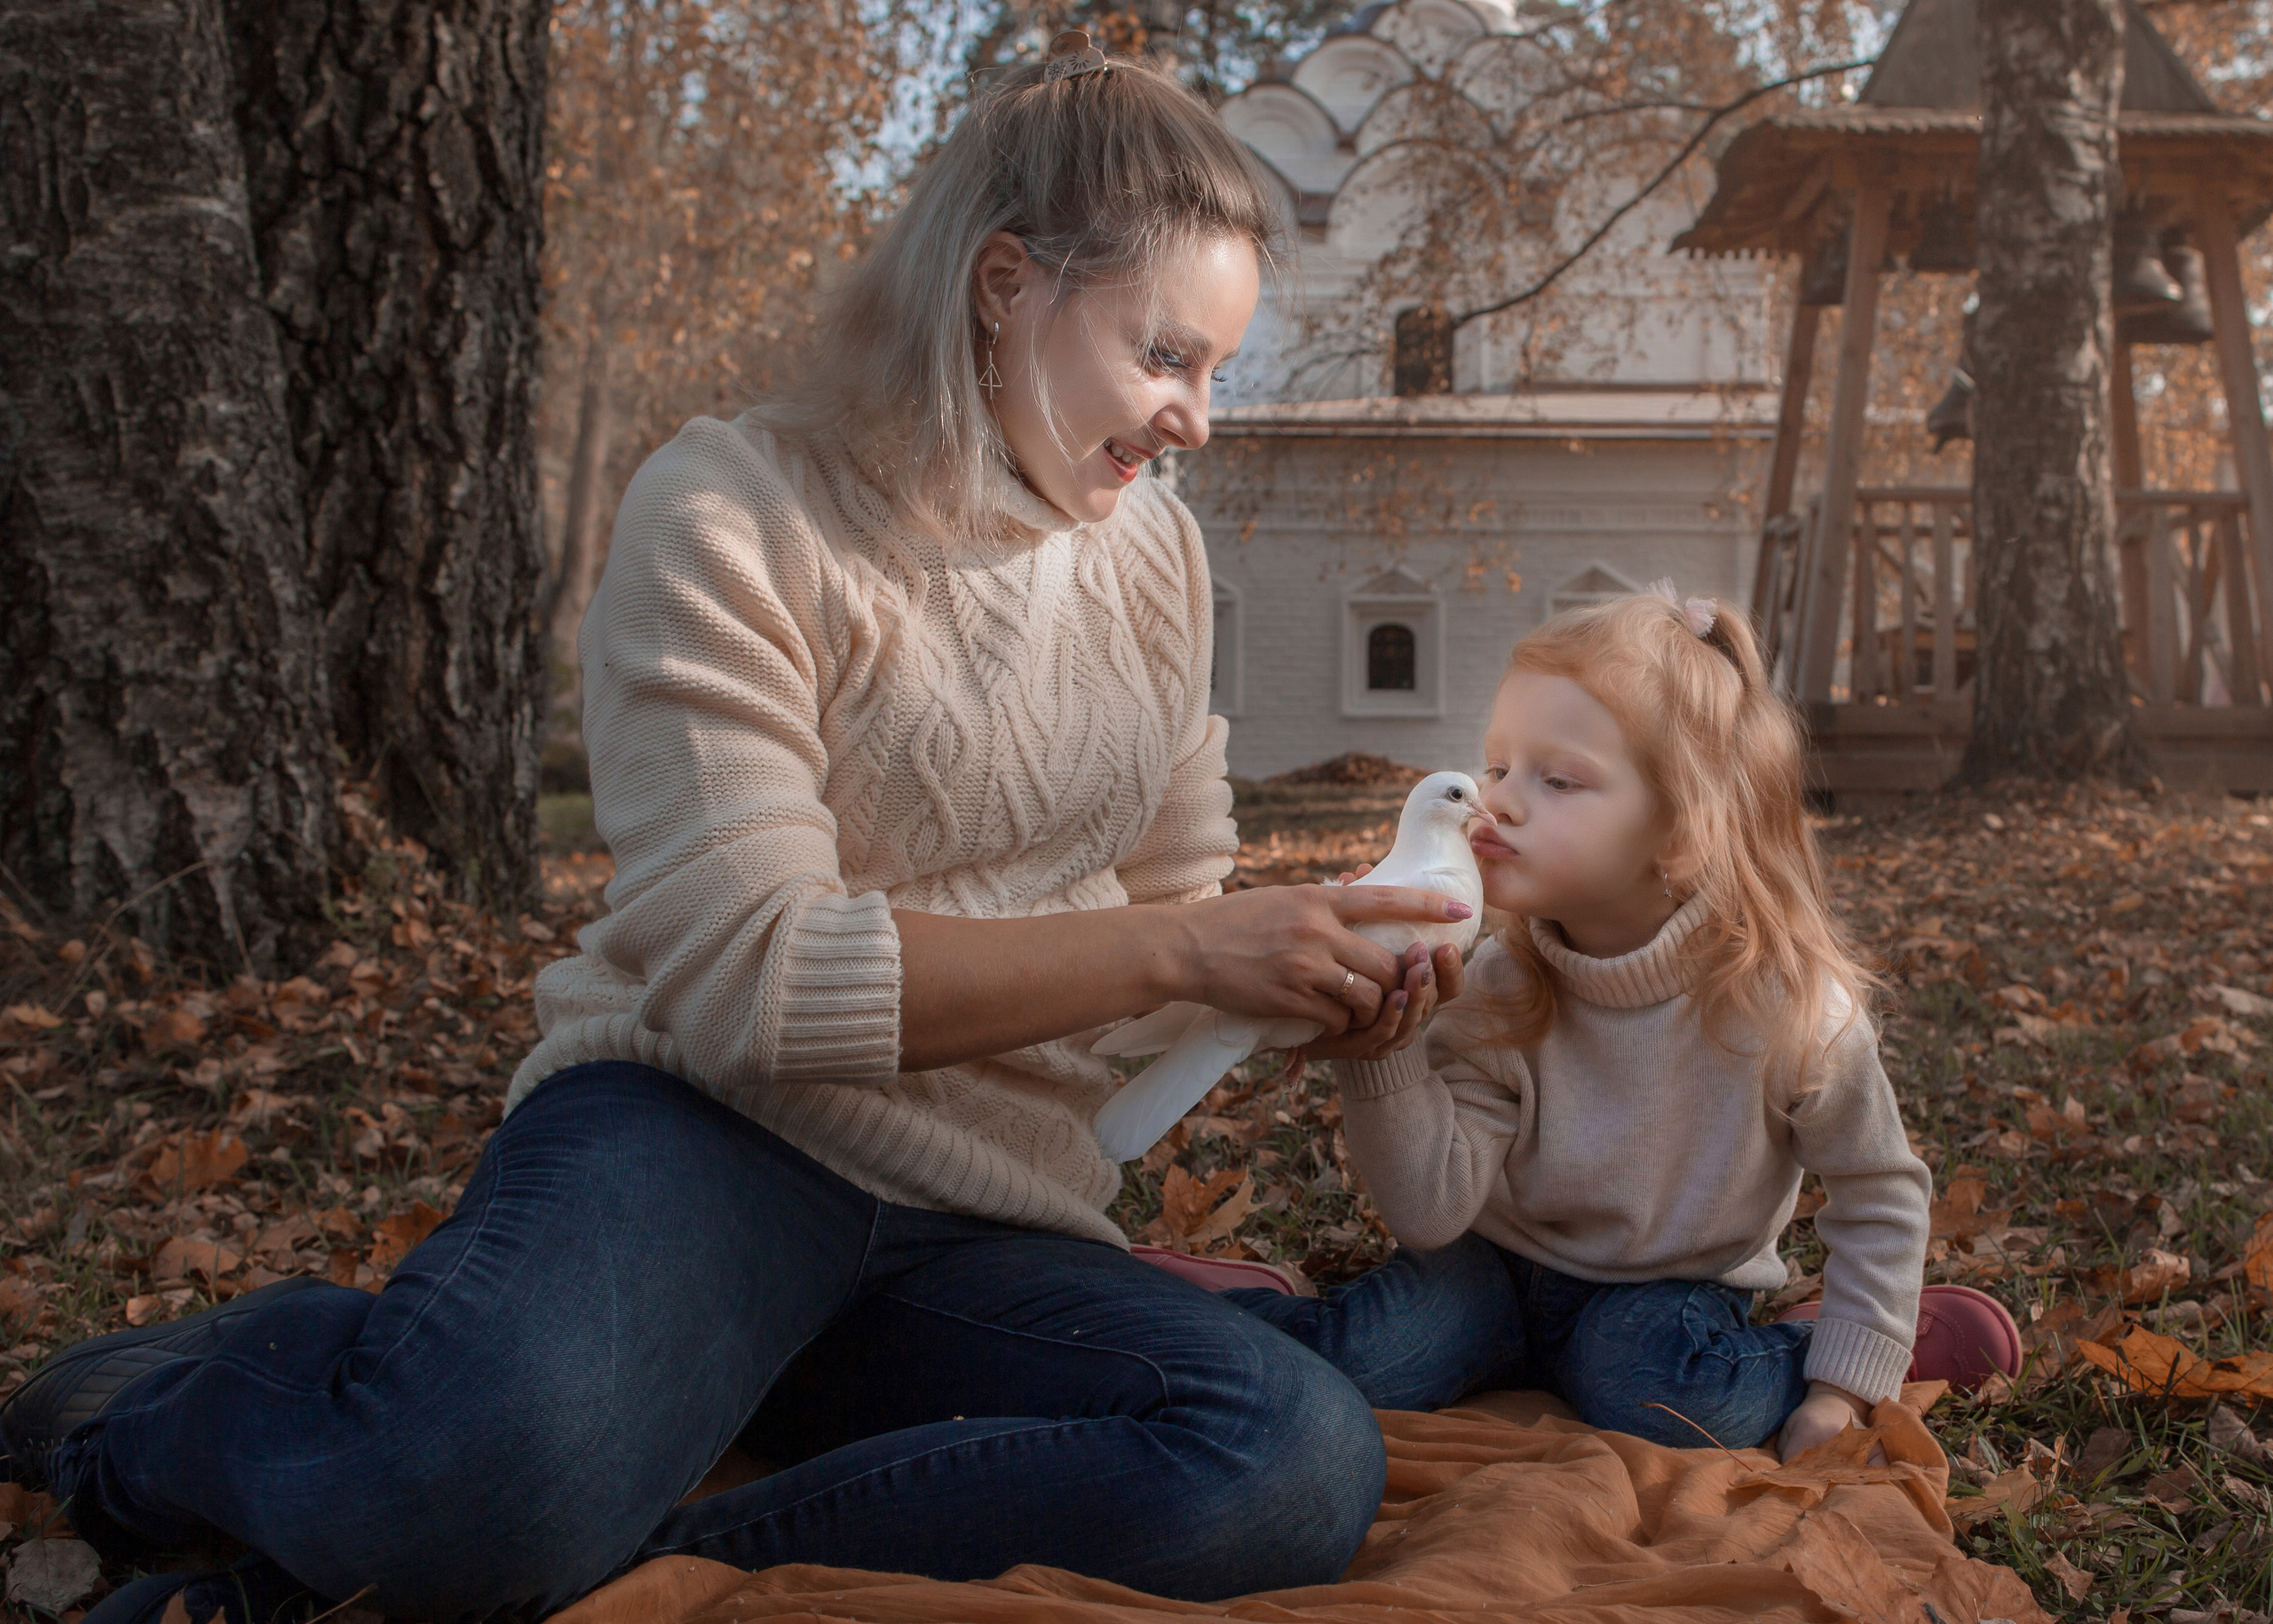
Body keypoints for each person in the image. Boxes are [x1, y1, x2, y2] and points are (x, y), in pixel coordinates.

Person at [0, 36, 1475, 1624]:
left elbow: (1166, 927)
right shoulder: (729, 509)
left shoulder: (1154, 562)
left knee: (1286, 1456)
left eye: (1219, 371)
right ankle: (145, 1409)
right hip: (698, 1139)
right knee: (457, 1470)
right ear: (1004, 284)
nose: (1196, 420)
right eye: (1167, 356)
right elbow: (754, 977)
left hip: (989, 1211)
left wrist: (1305, 980)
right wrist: (1187, 947)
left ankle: (592, 1563)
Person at [1229, 587, 2020, 1459]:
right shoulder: (1497, 983)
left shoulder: (1789, 1009)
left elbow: (1879, 1192)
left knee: (1666, 1399)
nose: (1499, 802)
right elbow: (1430, 1208)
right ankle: (1177, 1307)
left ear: (1681, 831)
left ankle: (1849, 1338)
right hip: (1488, 1269)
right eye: (1497, 766)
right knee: (1359, 1363)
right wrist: (1385, 1042)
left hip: (1665, 1294)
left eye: (1557, 779)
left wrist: (1842, 1386)